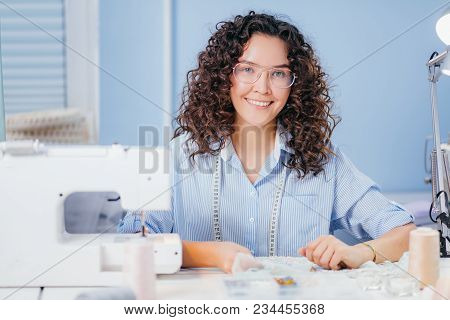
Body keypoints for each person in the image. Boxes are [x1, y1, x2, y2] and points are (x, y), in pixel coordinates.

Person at [118, 11, 415, 273]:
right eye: (247, 69)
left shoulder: (324, 163)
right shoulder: (177, 157)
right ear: (225, 76)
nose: (262, 87)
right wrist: (206, 254)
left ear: (294, 84)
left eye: (278, 74)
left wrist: (358, 252)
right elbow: (131, 244)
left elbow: (407, 235)